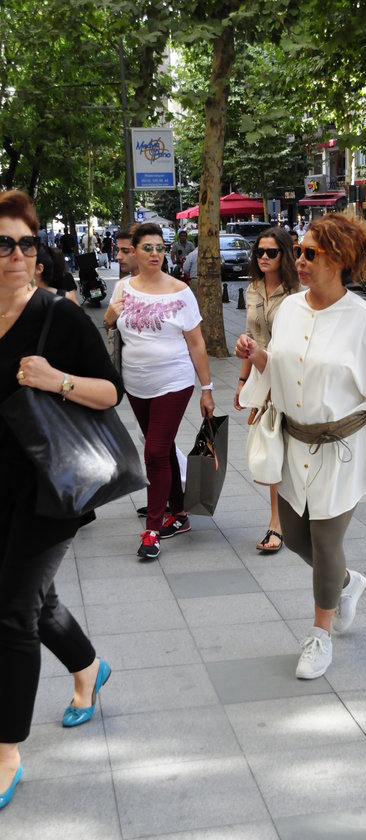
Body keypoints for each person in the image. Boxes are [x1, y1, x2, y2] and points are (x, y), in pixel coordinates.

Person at [236, 214, 366, 679]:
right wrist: (256, 358)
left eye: (310, 253)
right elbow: (282, 366)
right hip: (294, 442)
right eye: (300, 251)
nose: (299, 260)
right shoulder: (290, 309)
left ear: (338, 259)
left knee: (327, 540)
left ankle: (319, 635)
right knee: (294, 536)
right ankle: (346, 582)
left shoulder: (364, 320)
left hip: (344, 447)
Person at [0, 190, 124, 811]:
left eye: (27, 243)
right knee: (35, 598)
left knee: (10, 612)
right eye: (4, 243)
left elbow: (111, 393)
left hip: (51, 489)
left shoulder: (59, 316)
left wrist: (58, 380)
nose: (18, 254)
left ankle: (6, 753)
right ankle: (88, 667)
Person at [104, 222, 215, 561]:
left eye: (160, 248)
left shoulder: (180, 292)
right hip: (136, 383)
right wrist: (109, 315)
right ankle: (180, 514)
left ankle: (152, 530)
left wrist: (207, 388)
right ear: (135, 251)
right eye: (147, 248)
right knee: (163, 449)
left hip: (173, 382)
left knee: (153, 452)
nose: (155, 253)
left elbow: (196, 343)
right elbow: (111, 327)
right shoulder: (123, 287)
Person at [234, 227, 300, 553]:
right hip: (261, 377)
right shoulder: (253, 289)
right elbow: (251, 337)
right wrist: (242, 381)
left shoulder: (297, 294)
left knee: (294, 451)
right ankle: (277, 521)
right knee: (273, 448)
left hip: (290, 379)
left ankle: (300, 516)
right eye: (259, 251)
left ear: (284, 255)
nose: (263, 257)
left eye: (271, 252)